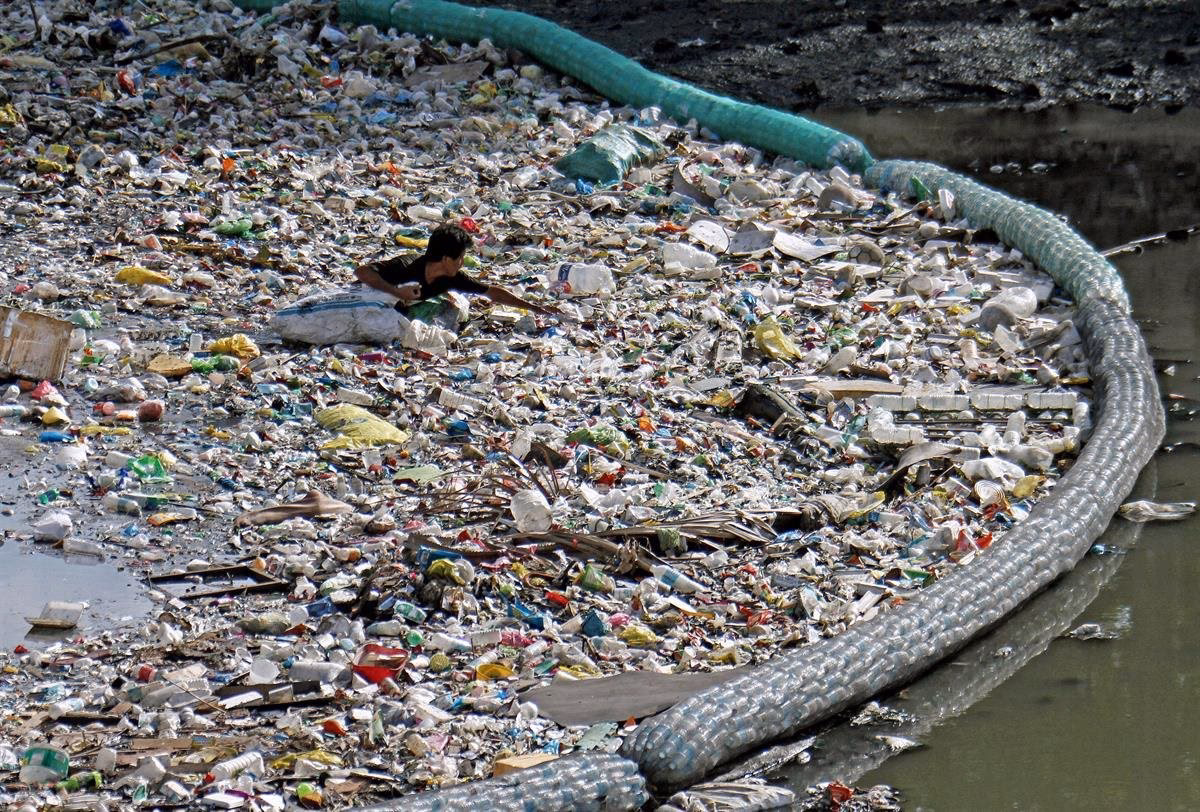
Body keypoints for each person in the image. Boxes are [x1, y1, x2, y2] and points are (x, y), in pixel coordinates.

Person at [354, 223, 560, 318]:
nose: (462, 263)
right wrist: (397, 292)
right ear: (445, 259)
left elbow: (492, 292)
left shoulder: (450, 278)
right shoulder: (407, 266)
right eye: (460, 258)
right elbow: (362, 272)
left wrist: (536, 308)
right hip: (360, 306)